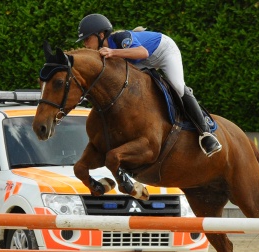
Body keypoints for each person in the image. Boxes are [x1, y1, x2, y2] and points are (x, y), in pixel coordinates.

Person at [77, 13, 222, 157]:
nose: (85, 44)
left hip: (164, 52)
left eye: (87, 39)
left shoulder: (121, 38)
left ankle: (206, 133)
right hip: (143, 62)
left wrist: (113, 52)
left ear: (101, 35)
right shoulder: (104, 53)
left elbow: (143, 52)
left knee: (177, 86)